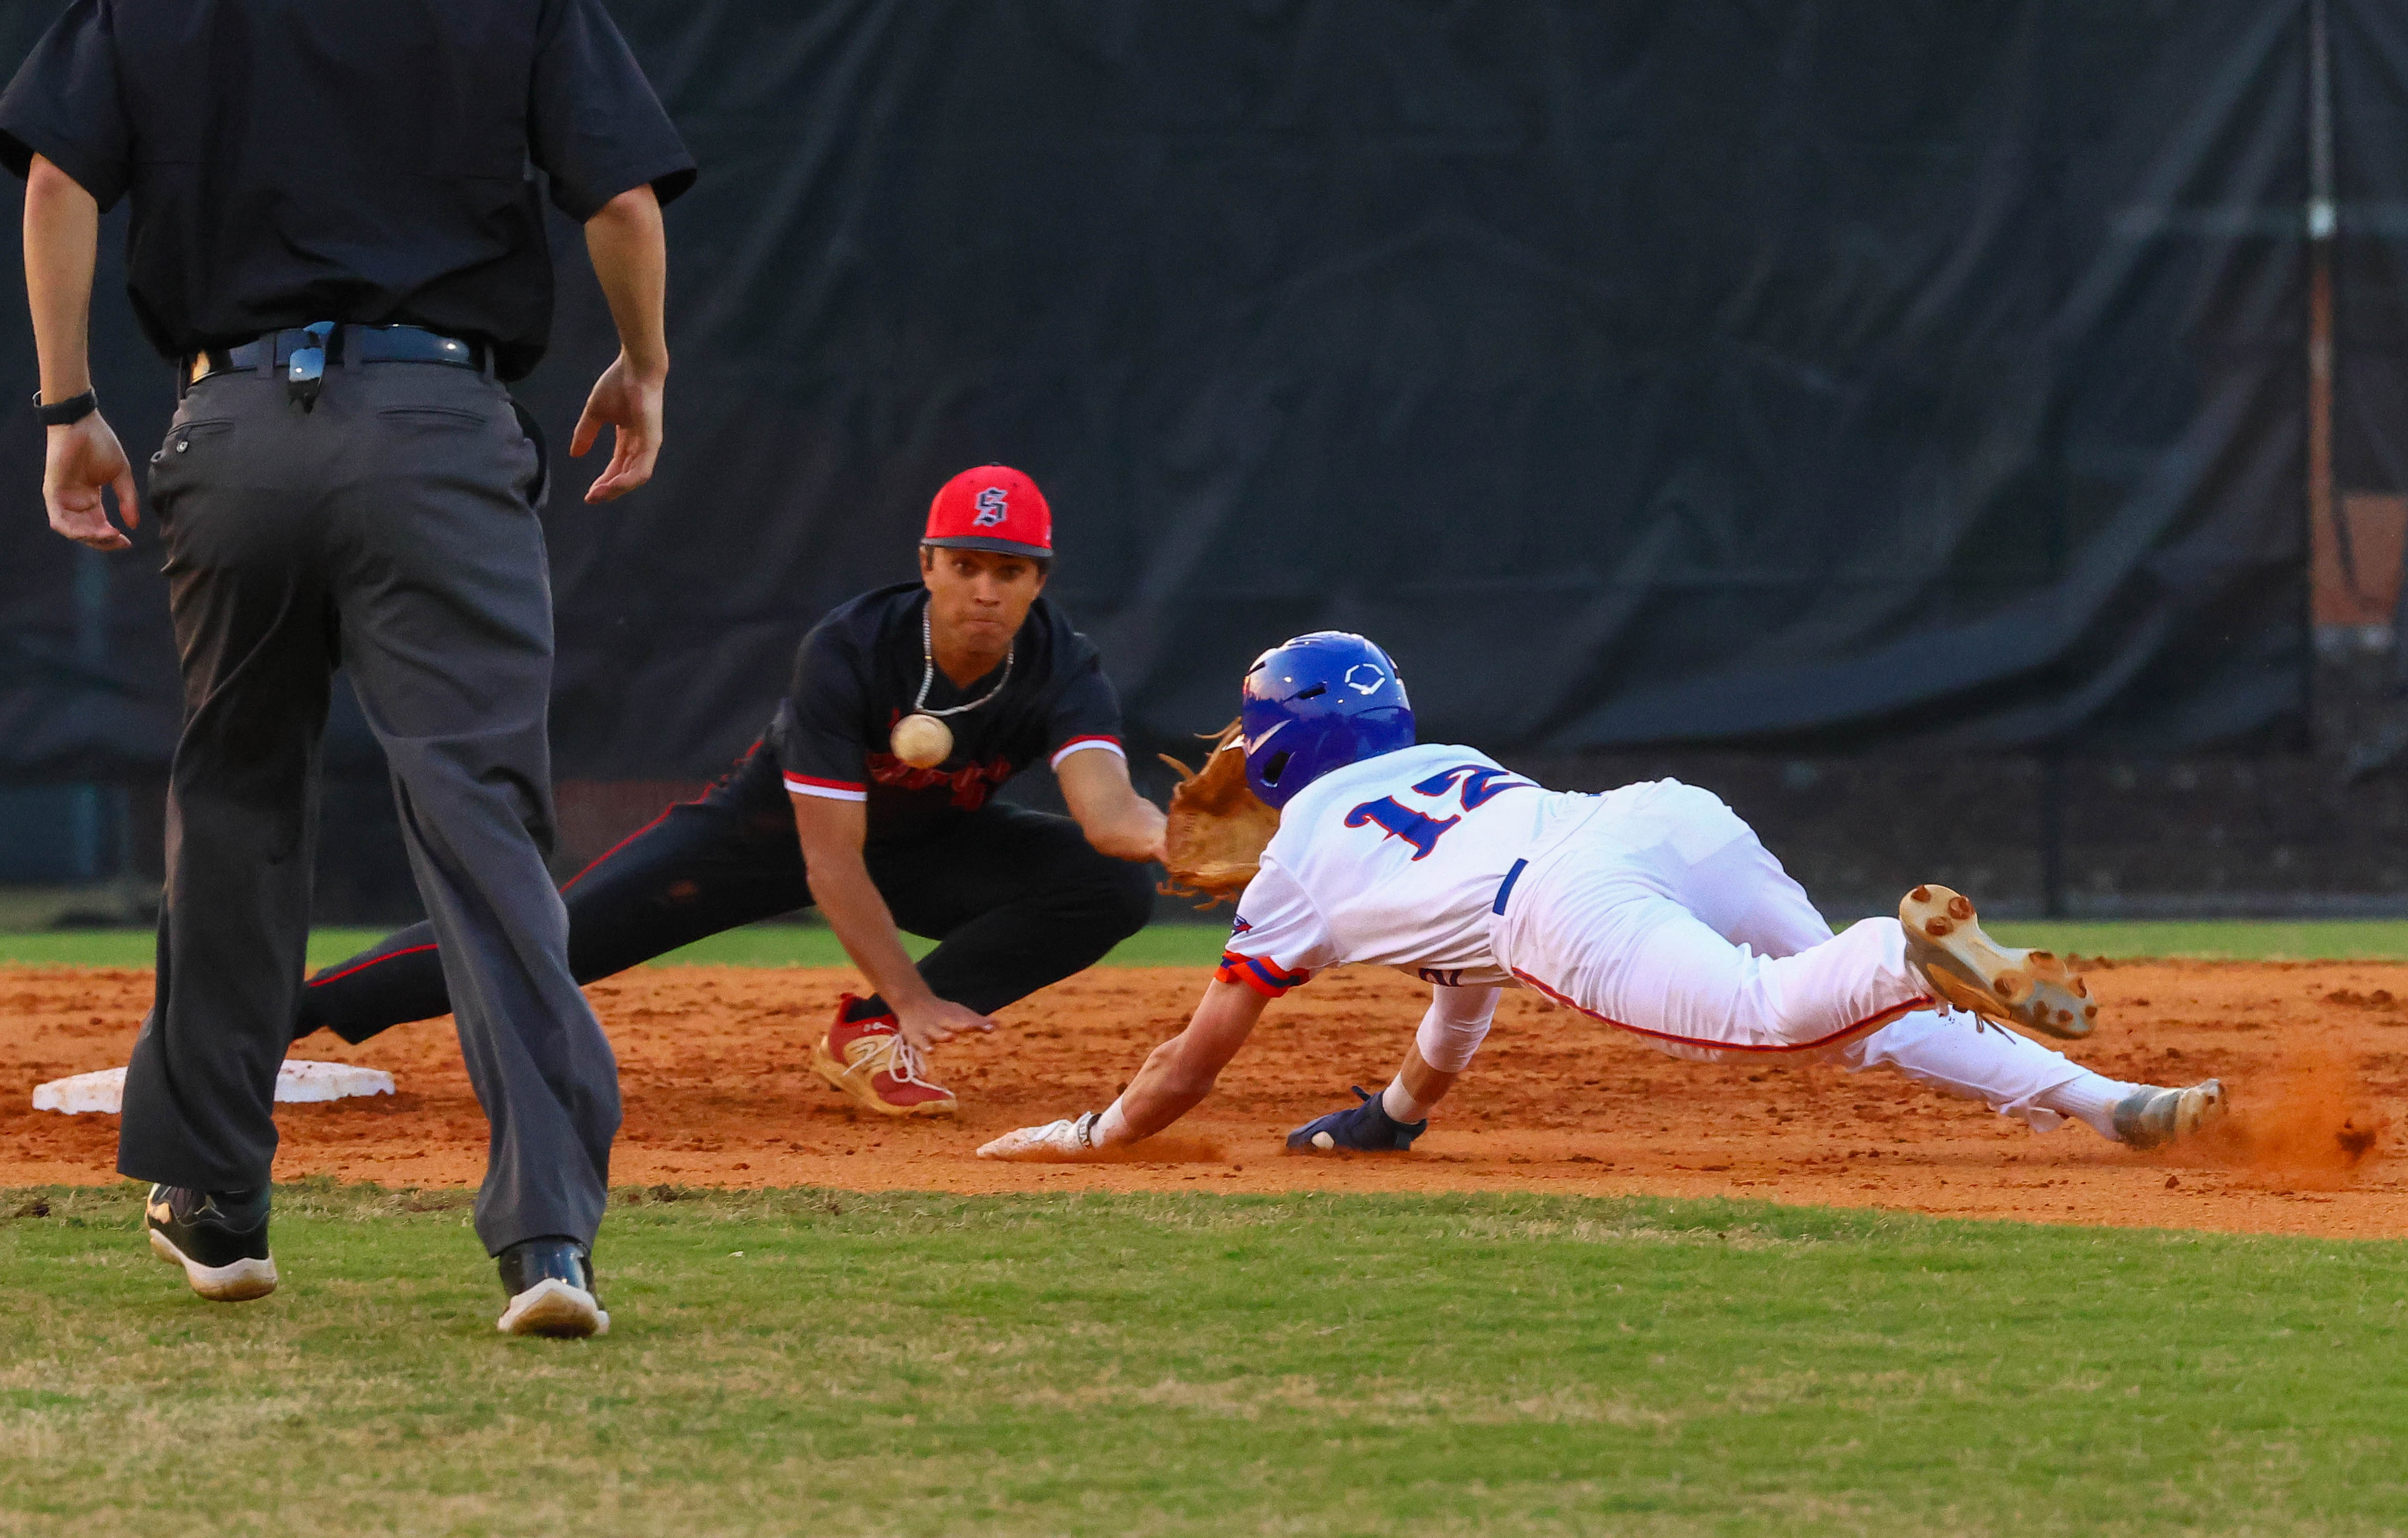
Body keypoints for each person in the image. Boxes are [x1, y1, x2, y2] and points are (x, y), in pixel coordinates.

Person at [1, 0, 695, 1338]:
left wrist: (70, 407)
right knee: (479, 813)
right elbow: (619, 199)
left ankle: (214, 1195)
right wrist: (646, 364)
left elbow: (54, 177)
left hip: (235, 425)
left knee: (238, 804)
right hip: (440, 428)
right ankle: (545, 1230)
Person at [978, 632, 2227, 1162]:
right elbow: (1459, 993)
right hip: (1653, 818)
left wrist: (1089, 1135)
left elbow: (1190, 1069)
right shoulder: (1449, 764)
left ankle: (1902, 950)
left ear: (1281, 751)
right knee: (1866, 1034)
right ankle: (2122, 1107)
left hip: (1566, 909)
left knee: (1786, 1016)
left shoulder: (1295, 868)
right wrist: (1399, 1115)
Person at [299, 465, 1166, 1117]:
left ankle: (866, 1035)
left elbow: (1107, 814)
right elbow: (829, 859)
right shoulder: (854, 647)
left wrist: (1175, 842)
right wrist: (911, 991)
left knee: (1113, 882)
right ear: (928, 564)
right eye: (967, 563)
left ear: (1039, 581)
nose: (986, 588)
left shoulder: (1061, 664)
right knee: (547, 935)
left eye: (1009, 571)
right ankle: (278, 1022)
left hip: (930, 848)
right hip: (760, 836)